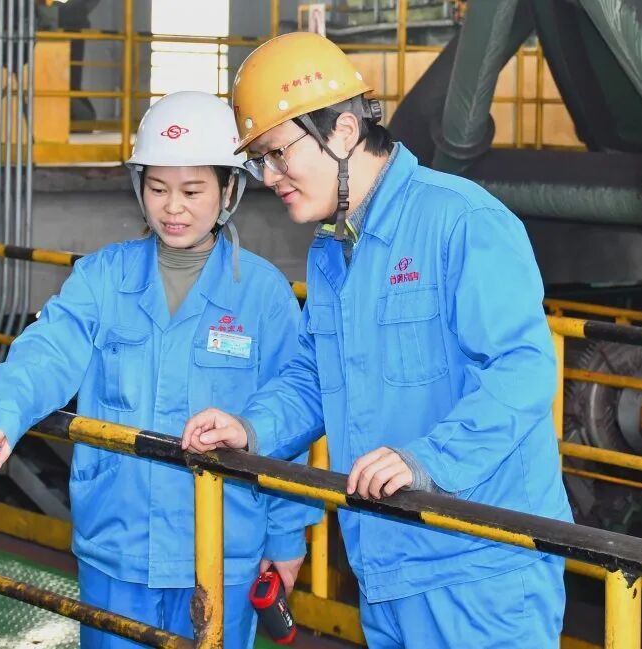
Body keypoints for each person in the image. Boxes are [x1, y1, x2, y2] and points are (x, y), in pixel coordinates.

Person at [182, 32, 573, 648]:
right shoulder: (333, 250)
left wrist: (429, 461)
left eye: (278, 154)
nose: (271, 177)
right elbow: (317, 376)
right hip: (384, 560)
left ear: (342, 132)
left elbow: (521, 371)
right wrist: (251, 429)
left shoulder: (460, 221)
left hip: (480, 564)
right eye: (259, 162)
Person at [0, 90, 320, 649]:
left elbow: (289, 418)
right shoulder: (101, 278)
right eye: (158, 189)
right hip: (117, 547)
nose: (172, 208)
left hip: (221, 550)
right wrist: (3, 411)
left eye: (192, 191)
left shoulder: (263, 295)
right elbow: (48, 350)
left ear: (228, 190)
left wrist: (286, 537)